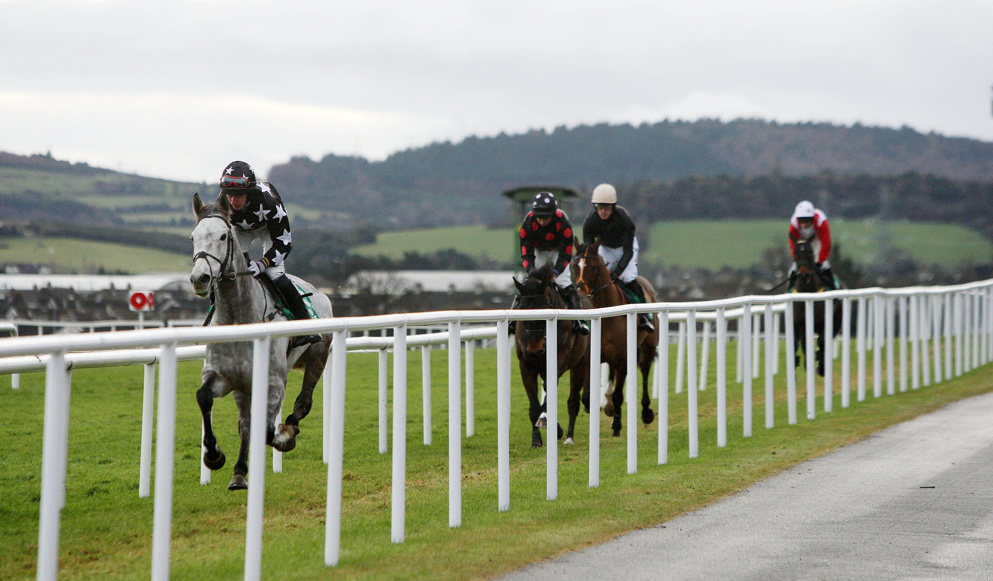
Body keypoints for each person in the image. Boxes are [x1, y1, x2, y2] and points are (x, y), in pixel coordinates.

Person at [217, 160, 321, 348]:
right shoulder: (223, 201)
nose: (233, 201)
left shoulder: (270, 203)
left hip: (270, 231)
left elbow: (284, 243)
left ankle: (306, 326)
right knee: (229, 270)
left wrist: (262, 263)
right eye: (229, 195)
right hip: (240, 230)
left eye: (238, 196)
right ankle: (215, 315)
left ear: (249, 191)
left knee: (274, 273)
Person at [511, 191, 589, 335]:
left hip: (558, 250)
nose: (542, 221)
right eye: (539, 217)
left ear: (553, 214)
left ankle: (580, 320)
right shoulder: (527, 224)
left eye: (546, 217)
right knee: (529, 283)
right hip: (538, 250)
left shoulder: (563, 222)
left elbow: (566, 254)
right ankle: (512, 321)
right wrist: (531, 271)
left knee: (564, 282)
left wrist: (555, 273)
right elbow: (526, 254)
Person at [582, 183, 655, 332]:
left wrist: (617, 272)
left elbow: (628, 252)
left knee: (628, 278)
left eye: (607, 208)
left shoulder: (623, 219)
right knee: (594, 277)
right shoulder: (590, 221)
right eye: (599, 207)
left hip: (625, 248)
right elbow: (589, 251)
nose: (603, 211)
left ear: (613, 207)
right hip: (605, 248)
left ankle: (645, 315)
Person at [788, 200, 837, 291]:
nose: (804, 224)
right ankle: (789, 290)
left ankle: (834, 291)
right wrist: (795, 257)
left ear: (812, 218)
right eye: (802, 220)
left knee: (825, 264)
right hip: (801, 241)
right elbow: (793, 243)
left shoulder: (821, 221)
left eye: (807, 220)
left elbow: (826, 243)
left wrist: (820, 262)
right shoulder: (794, 223)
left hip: (817, 239)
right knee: (794, 267)